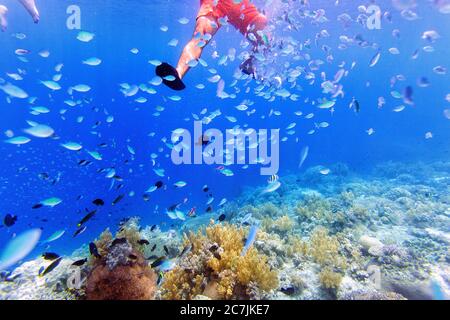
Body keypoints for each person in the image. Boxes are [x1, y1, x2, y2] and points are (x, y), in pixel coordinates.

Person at [156, 0, 270, 91]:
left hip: (236, 4)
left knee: (265, 41)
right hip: (222, 3)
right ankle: (179, 72)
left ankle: (248, 65)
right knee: (199, 37)